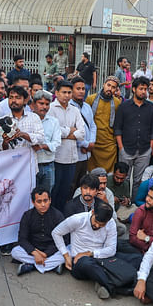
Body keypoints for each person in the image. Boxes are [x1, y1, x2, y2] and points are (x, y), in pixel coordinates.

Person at [52, 201, 131, 299]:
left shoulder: (110, 224)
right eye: (96, 222)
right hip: (79, 262)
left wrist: (89, 253)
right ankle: (114, 288)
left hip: (100, 257)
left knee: (132, 256)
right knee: (86, 263)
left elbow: (111, 250)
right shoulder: (78, 219)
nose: (97, 226)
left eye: (102, 225)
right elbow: (56, 233)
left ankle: (100, 281)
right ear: (93, 212)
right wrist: (66, 255)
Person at [115, 77, 153, 191]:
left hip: (144, 149)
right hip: (126, 148)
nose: (144, 91)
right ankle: (124, 202)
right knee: (124, 178)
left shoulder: (150, 106)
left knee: (139, 180)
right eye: (141, 89)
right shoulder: (124, 106)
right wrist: (121, 148)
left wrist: (151, 146)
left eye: (145, 89)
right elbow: (118, 128)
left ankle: (135, 205)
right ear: (134, 89)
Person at [50, 80, 86, 212]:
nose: (67, 95)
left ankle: (60, 216)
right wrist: (70, 130)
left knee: (66, 191)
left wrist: (64, 133)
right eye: (64, 92)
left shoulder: (75, 110)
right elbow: (53, 131)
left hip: (72, 158)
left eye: (69, 92)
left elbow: (82, 133)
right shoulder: (51, 109)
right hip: (57, 158)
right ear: (57, 93)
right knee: (55, 190)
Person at [123, 184, 153, 257]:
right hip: (141, 249)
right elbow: (132, 238)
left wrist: (147, 238)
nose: (147, 199)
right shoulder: (140, 211)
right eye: (148, 196)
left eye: (152, 198)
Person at [86, 76, 122, 173]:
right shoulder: (91, 99)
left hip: (109, 145)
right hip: (93, 142)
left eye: (113, 87)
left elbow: (118, 124)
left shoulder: (117, 103)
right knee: (92, 174)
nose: (110, 89)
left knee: (108, 175)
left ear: (116, 90)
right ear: (103, 85)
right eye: (108, 85)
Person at [28, 89, 59, 193]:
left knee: (46, 195)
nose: (44, 107)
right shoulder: (27, 120)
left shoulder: (53, 122)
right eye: (41, 103)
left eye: (47, 104)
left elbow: (57, 143)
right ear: (33, 104)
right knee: (30, 194)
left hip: (48, 164)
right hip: (31, 165)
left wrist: (42, 146)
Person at [70, 77, 97, 190]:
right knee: (71, 184)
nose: (81, 91)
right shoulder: (69, 107)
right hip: (74, 153)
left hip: (86, 154)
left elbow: (92, 126)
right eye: (78, 88)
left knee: (82, 184)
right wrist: (85, 144)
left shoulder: (86, 106)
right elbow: (71, 131)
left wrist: (91, 142)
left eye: (83, 89)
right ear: (71, 90)